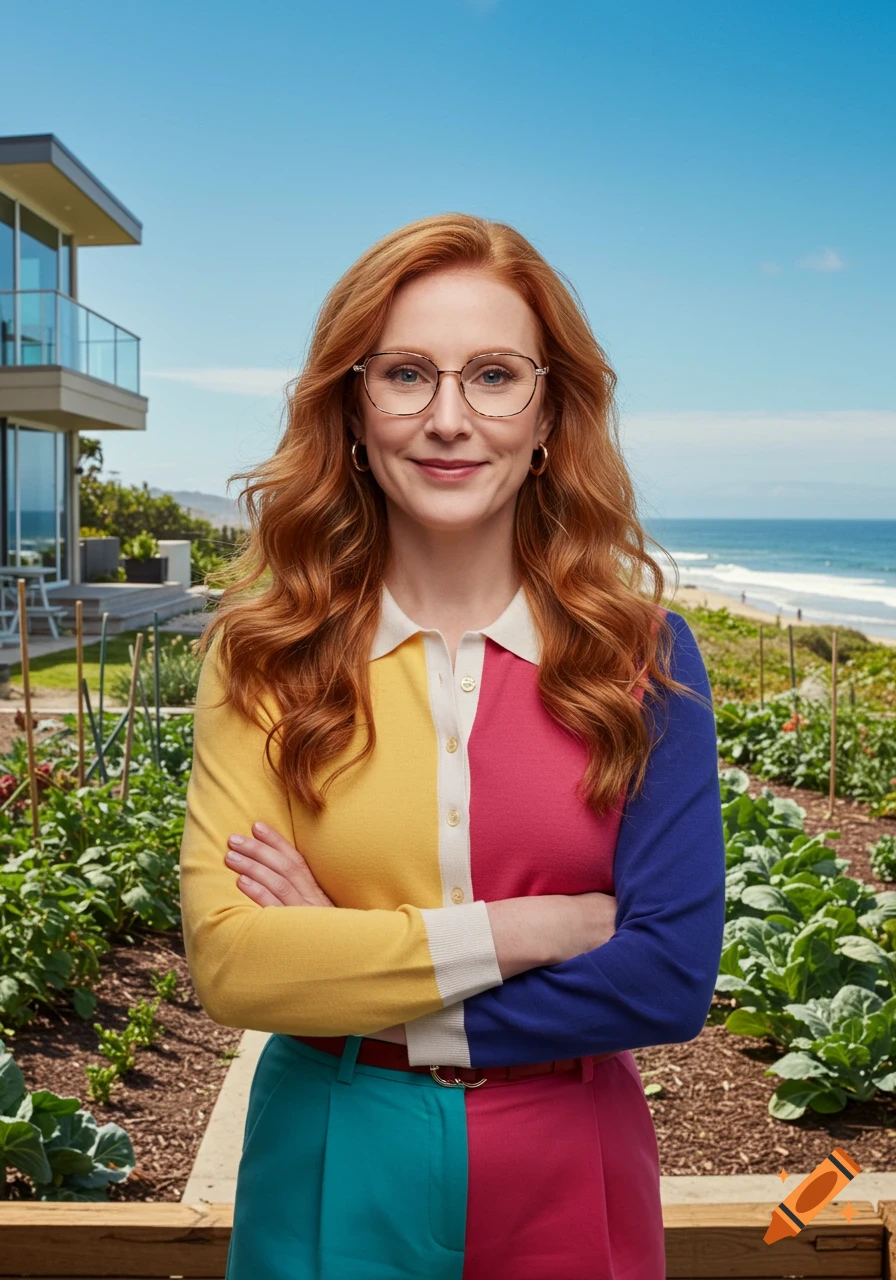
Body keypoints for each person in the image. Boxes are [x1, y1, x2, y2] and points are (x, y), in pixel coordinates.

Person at [179, 213, 727, 1280]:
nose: (446, 419)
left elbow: (664, 980)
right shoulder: (261, 656)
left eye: (492, 376)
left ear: (548, 412)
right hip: (330, 1157)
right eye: (404, 375)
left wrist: (348, 958)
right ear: (352, 406)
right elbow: (238, 965)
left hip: (574, 1162)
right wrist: (539, 926)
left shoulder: (648, 657)